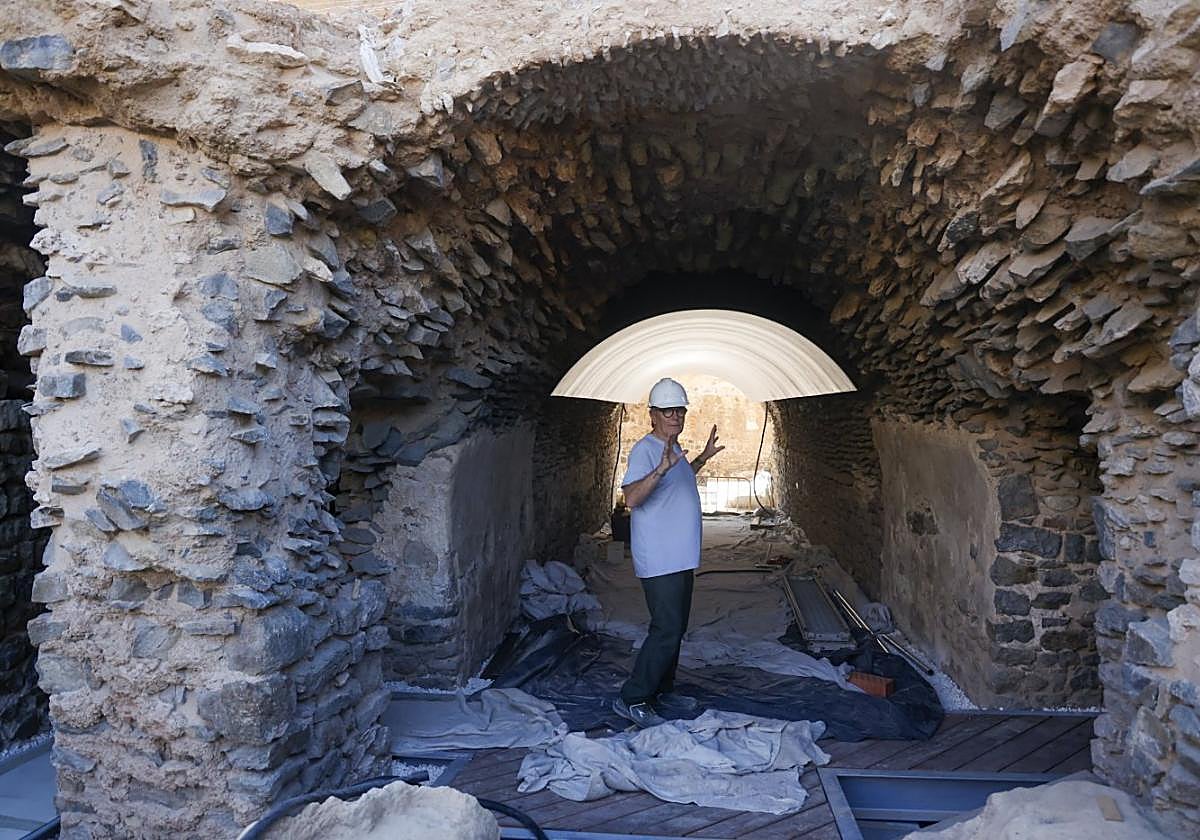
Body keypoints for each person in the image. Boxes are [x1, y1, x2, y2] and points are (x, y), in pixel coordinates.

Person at [612, 377, 724, 727]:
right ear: (653, 415)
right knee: (665, 628)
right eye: (668, 411)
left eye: (680, 410)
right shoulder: (646, 450)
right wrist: (659, 469)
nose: (675, 416)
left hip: (679, 556)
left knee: (676, 629)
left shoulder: (674, 449)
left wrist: (702, 459)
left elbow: (677, 479)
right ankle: (632, 698)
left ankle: (662, 690)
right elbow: (632, 498)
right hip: (660, 557)